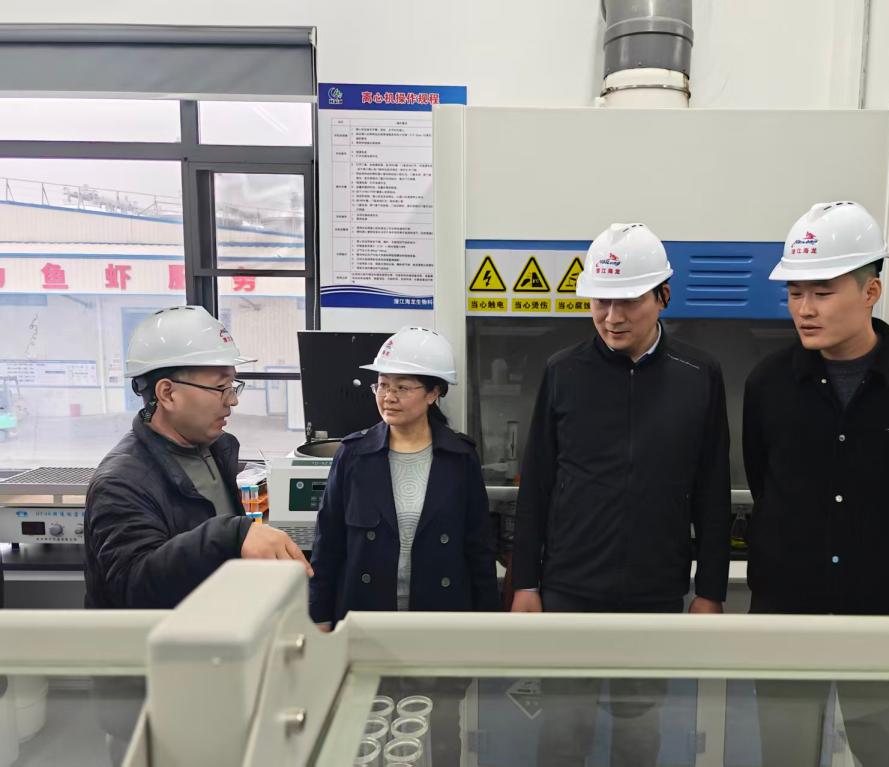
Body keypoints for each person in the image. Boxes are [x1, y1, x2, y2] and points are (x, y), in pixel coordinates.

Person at [743, 201, 889, 765]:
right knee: (785, 754)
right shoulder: (768, 384)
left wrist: (886, 550)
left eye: (822, 293)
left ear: (871, 292)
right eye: (795, 293)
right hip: (785, 612)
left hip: (883, 612)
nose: (804, 309)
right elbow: (764, 481)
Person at [510, 223, 732, 767]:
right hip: (569, 588)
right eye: (600, 301)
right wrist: (525, 583)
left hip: (655, 591)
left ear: (663, 296)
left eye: (628, 301)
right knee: (562, 736)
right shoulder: (563, 371)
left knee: (637, 738)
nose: (612, 317)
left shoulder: (698, 374)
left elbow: (712, 491)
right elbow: (536, 484)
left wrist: (710, 590)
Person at [84, 305, 311, 762]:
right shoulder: (121, 482)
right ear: (166, 392)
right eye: (220, 387)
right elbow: (134, 584)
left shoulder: (213, 451)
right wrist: (230, 535)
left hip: (208, 675)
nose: (232, 401)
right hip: (153, 697)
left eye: (234, 386)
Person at [308, 326, 499, 767]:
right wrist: (319, 616)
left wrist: (487, 624)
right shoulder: (353, 455)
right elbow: (329, 542)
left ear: (434, 393)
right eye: (381, 385)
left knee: (442, 732)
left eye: (402, 387)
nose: (387, 397)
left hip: (441, 621)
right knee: (365, 732)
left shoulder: (460, 458)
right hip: (367, 618)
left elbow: (477, 547)